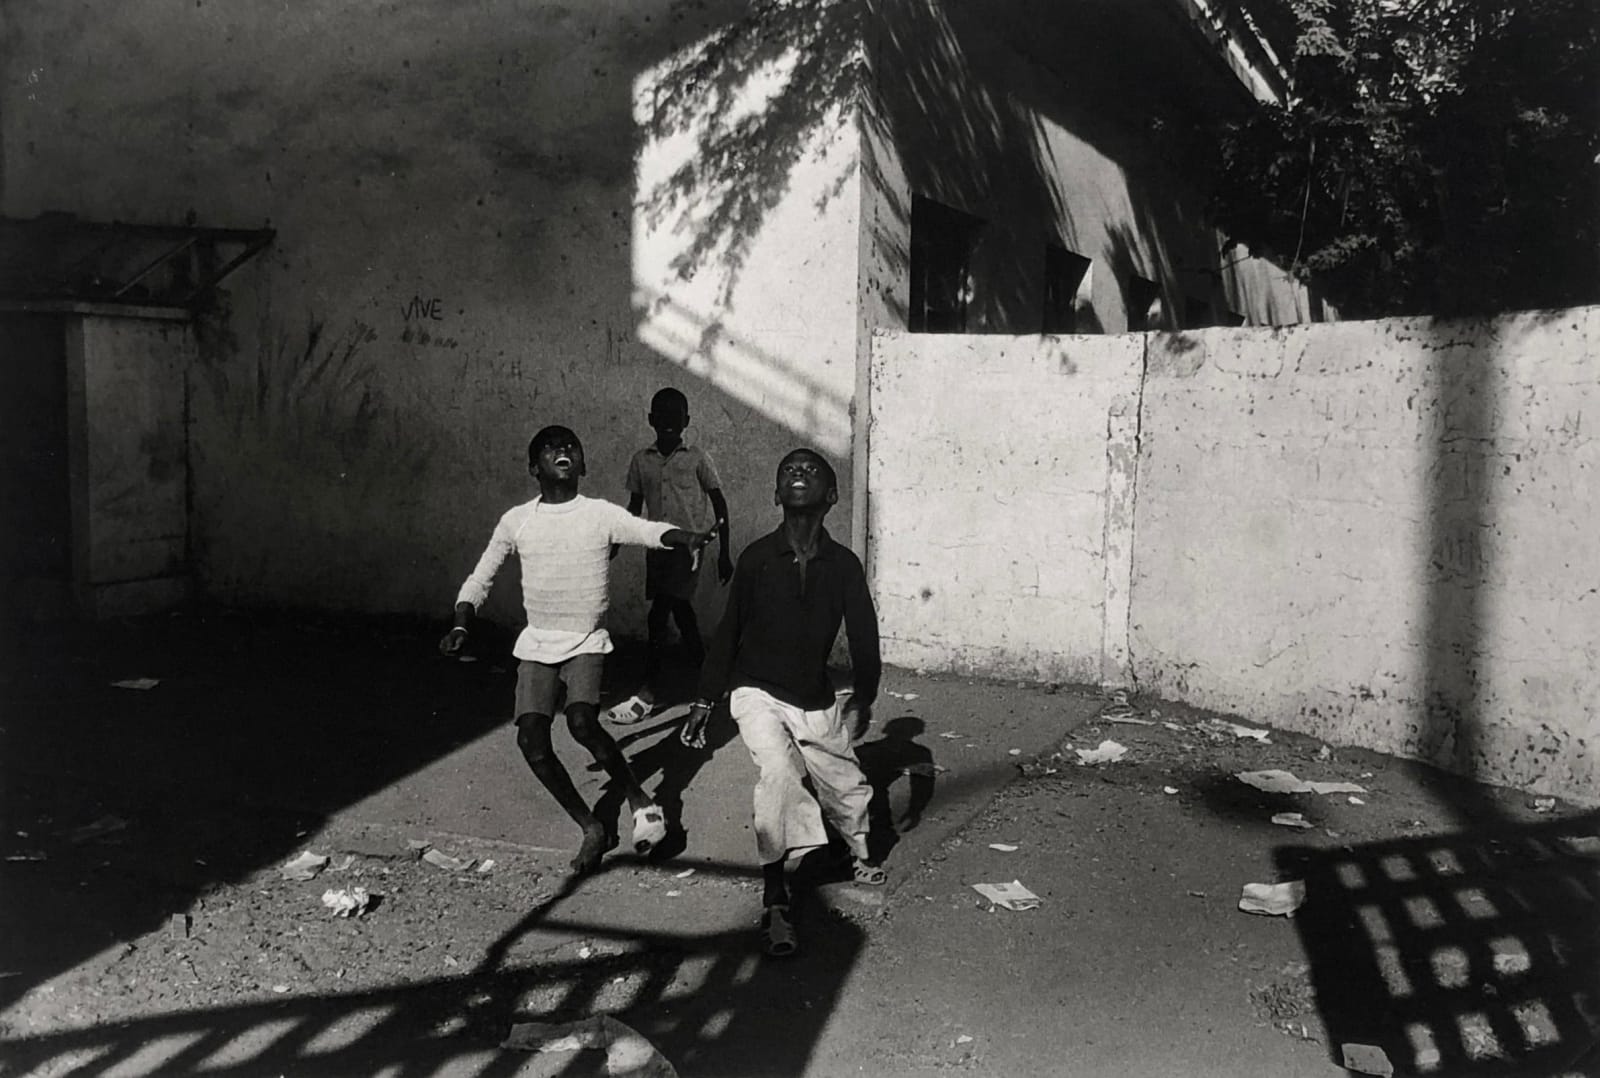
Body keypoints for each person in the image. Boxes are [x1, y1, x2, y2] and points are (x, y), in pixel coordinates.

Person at [440, 425, 713, 875]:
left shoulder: (599, 514)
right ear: (534, 468)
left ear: (582, 464)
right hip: (538, 641)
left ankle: (639, 799)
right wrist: (460, 623)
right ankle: (591, 827)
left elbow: (646, 530)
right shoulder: (517, 520)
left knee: (582, 722)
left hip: (585, 640)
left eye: (570, 446)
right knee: (531, 738)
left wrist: (683, 537)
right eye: (550, 448)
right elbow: (481, 576)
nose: (562, 450)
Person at [679, 447, 885, 957]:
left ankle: (855, 846)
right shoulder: (755, 559)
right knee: (778, 774)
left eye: (811, 470)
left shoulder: (844, 566)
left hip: (813, 697)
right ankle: (775, 893)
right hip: (755, 689)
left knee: (846, 785)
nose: (798, 472)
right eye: (788, 470)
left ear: (832, 496)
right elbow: (729, 633)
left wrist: (864, 696)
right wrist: (704, 700)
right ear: (776, 494)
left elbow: (864, 638)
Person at [604, 387, 733, 725]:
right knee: (681, 611)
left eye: (676, 417)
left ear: (686, 421)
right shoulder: (640, 460)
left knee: (660, 613)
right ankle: (709, 678)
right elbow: (633, 509)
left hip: (689, 548)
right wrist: (615, 542)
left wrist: (724, 553)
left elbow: (720, 506)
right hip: (657, 546)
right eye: (661, 416)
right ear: (651, 420)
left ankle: (648, 691)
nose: (668, 423)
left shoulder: (697, 458)